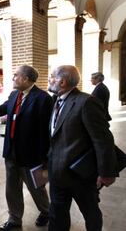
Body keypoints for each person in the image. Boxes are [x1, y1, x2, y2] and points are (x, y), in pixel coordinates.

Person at [0, 65, 52, 231]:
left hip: (32, 155)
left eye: (16, 75)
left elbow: (45, 132)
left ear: (25, 78)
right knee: (12, 188)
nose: (12, 78)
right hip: (11, 152)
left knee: (37, 187)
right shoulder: (14, 95)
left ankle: (47, 211)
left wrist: (44, 158)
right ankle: (14, 219)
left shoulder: (43, 98)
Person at [47, 65, 118, 231]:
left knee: (91, 213)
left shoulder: (86, 102)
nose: (49, 79)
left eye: (51, 76)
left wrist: (106, 172)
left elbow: (103, 140)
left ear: (62, 82)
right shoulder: (55, 100)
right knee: (57, 214)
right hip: (57, 173)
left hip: (81, 176)